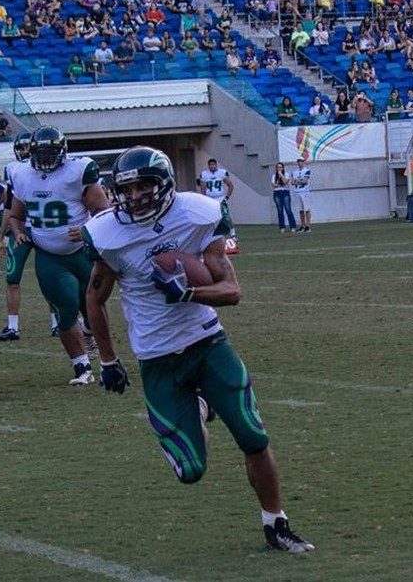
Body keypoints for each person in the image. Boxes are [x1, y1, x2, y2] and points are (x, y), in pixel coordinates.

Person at [82, 146, 315, 554]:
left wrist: (189, 291)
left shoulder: (197, 214)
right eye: (126, 189)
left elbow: (232, 291)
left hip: (207, 343)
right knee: (190, 471)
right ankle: (201, 408)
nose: (133, 197)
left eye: (142, 187)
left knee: (254, 436)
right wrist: (108, 360)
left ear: (165, 185)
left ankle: (276, 522)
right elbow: (94, 298)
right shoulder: (108, 233)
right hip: (156, 359)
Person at [7, 126, 110, 385]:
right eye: (39, 153)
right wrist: (18, 232)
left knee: (93, 306)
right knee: (65, 309)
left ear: (62, 151)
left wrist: (87, 231)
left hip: (82, 253)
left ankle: (101, 348)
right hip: (49, 255)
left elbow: (103, 211)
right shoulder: (21, 174)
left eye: (50, 153)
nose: (44, 159)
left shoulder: (77, 170)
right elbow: (16, 216)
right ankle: (81, 367)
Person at [0, 133, 60, 341]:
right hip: (20, 228)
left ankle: (57, 323)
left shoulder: (53, 168)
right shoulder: (14, 170)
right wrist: (0, 236)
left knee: (49, 277)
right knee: (12, 276)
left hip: (43, 227)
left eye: (26, 147)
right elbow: (9, 206)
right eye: (20, 147)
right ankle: (13, 327)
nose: (23, 151)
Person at [196, 159, 238, 253]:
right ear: (208, 166)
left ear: (216, 165)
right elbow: (203, 188)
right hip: (209, 199)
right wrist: (203, 199)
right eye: (210, 165)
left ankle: (233, 235)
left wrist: (227, 197)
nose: (212, 166)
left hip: (220, 198)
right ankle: (210, 236)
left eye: (213, 164)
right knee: (209, 218)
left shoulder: (222, 173)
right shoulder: (204, 174)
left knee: (226, 216)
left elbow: (230, 185)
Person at [271, 162, 297, 233]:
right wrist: (278, 184)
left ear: (283, 168)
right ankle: (282, 227)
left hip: (285, 192)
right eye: (278, 167)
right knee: (280, 210)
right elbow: (273, 185)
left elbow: (285, 182)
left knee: (288, 209)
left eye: (280, 167)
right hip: (277, 193)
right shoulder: (274, 176)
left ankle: (293, 226)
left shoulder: (286, 174)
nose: (279, 169)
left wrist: (281, 175)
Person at [291, 157, 313, 233]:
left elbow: (305, 181)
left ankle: (308, 226)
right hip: (297, 191)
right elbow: (292, 182)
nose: (300, 163)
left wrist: (297, 181)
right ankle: (302, 226)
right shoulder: (294, 172)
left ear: (304, 162)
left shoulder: (307, 170)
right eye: (299, 161)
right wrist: (299, 181)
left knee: (306, 209)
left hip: (305, 191)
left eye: (301, 161)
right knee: (300, 210)